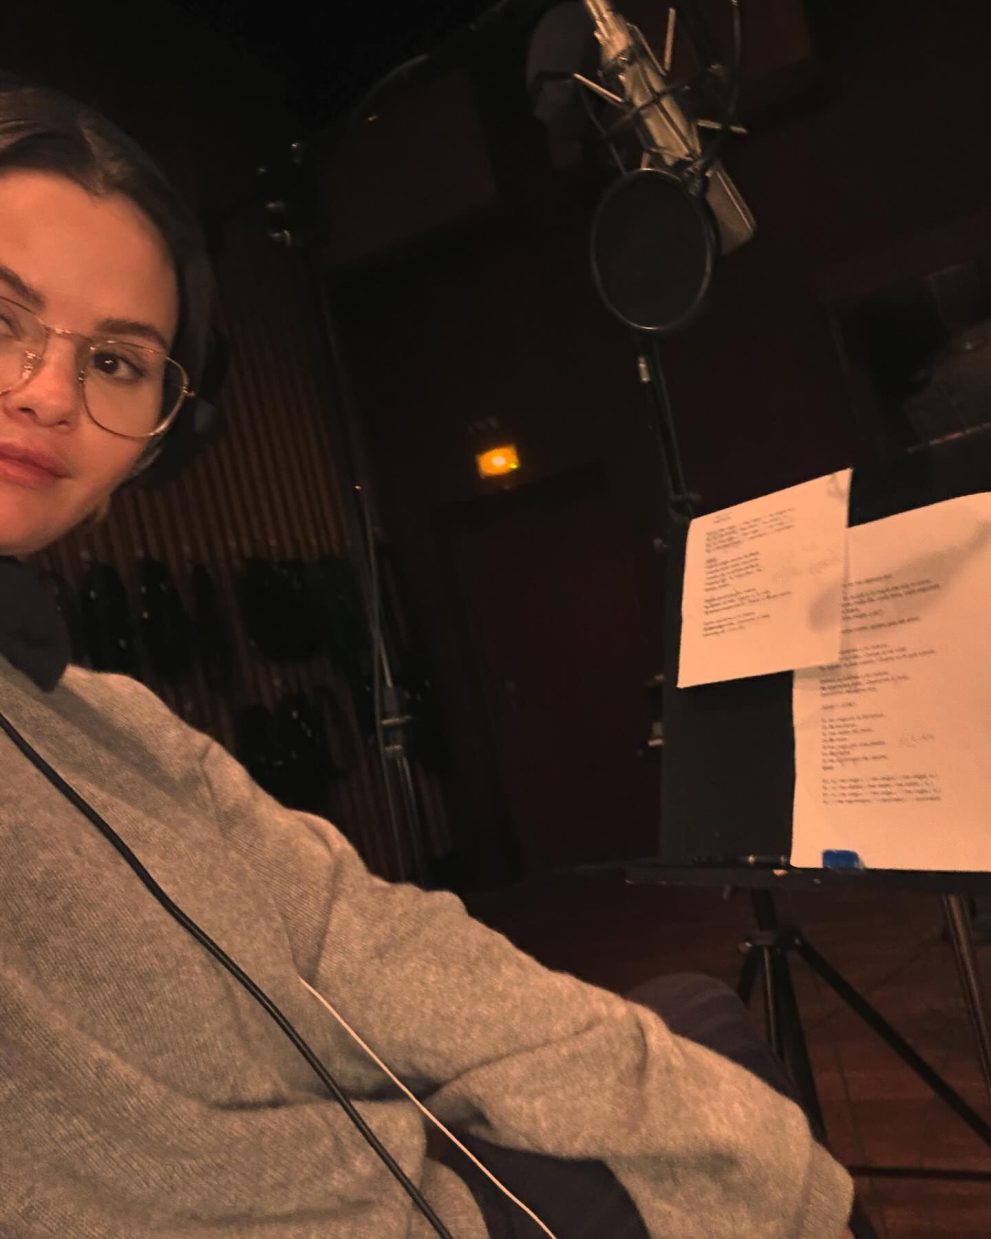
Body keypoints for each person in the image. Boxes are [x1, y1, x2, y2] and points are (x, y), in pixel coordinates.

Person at [0, 79, 856, 1238]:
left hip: (389, 1173)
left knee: (695, 1032)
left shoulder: (119, 727)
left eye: (115, 361)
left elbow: (365, 937)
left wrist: (721, 1135)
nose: (50, 392)